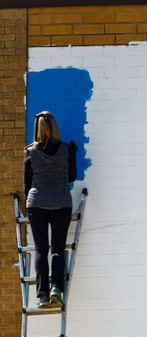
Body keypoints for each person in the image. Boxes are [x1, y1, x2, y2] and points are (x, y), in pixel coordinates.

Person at [24, 111, 78, 308]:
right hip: (61, 202)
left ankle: (43, 296)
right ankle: (57, 288)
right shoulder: (66, 149)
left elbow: (27, 182)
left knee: (40, 249)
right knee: (57, 249)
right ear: (55, 126)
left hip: (37, 203)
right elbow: (72, 177)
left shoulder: (30, 151)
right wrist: (73, 153)